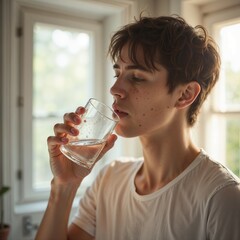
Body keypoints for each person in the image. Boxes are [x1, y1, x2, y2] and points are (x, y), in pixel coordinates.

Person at [36, 15, 240, 240]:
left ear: (185, 94)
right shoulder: (110, 179)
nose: (115, 88)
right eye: (118, 74)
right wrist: (65, 185)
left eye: (137, 77)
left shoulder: (222, 197)